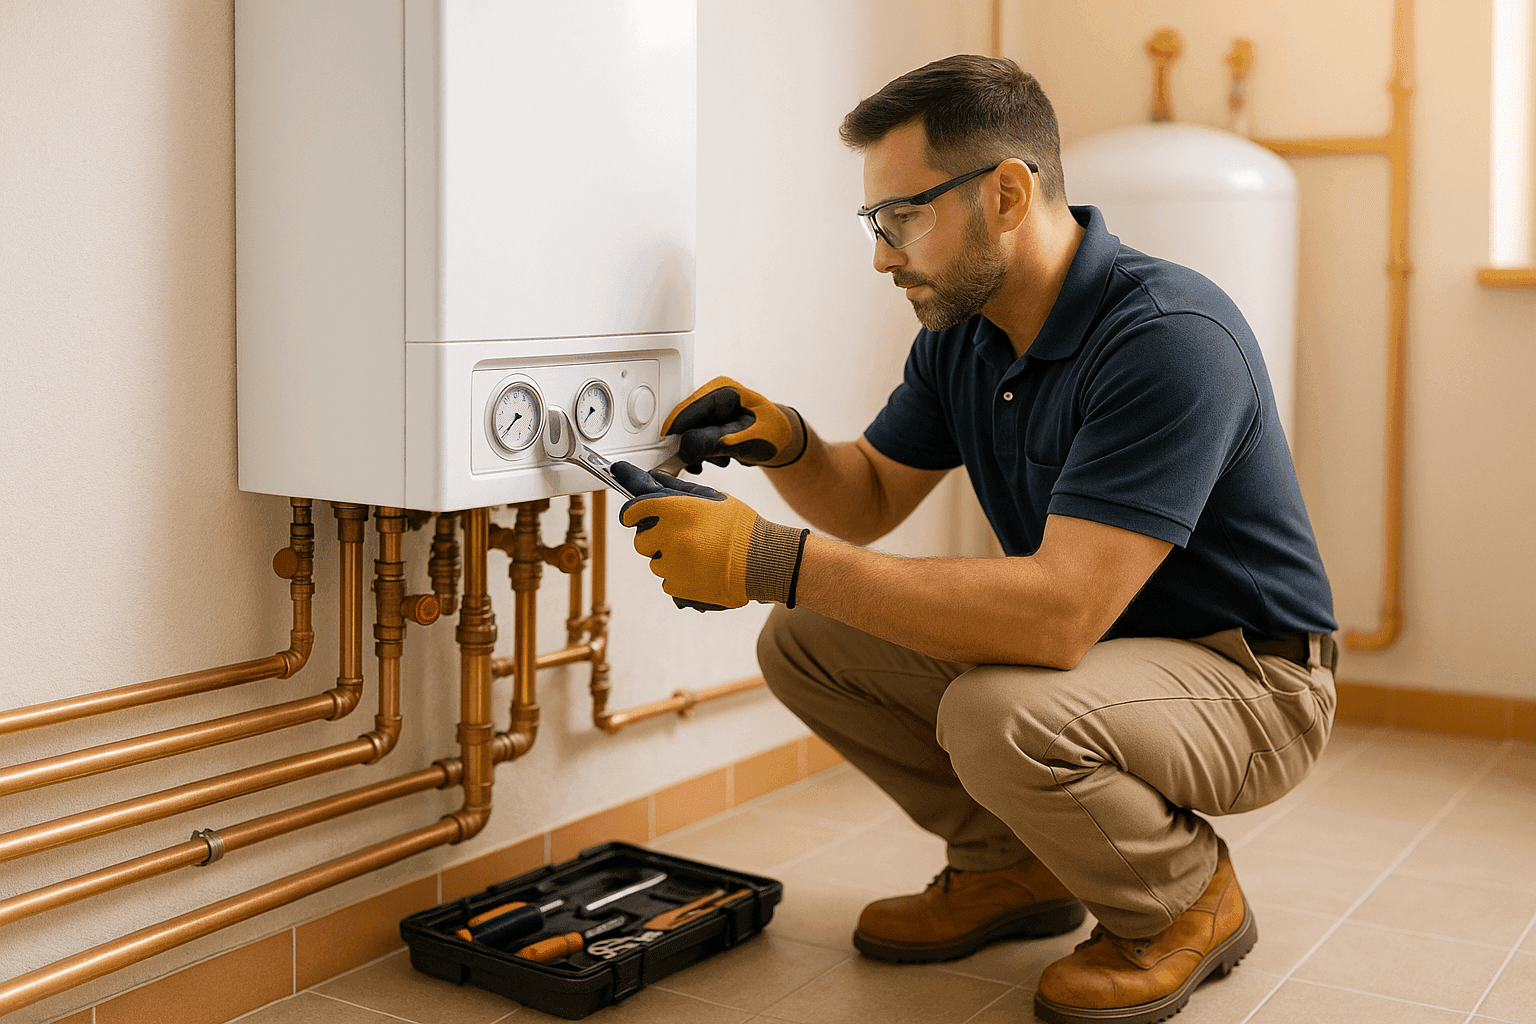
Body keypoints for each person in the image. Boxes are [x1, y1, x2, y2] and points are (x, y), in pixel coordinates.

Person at [609, 54, 1336, 1024]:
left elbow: (1058, 616)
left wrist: (766, 558)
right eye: (877, 223)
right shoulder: (966, 334)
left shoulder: (1166, 337)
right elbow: (867, 496)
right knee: (804, 639)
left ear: (1004, 193)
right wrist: (784, 439)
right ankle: (1015, 866)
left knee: (999, 711)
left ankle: (1182, 898)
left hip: (1252, 681)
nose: (882, 255)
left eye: (901, 217)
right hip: (1109, 657)